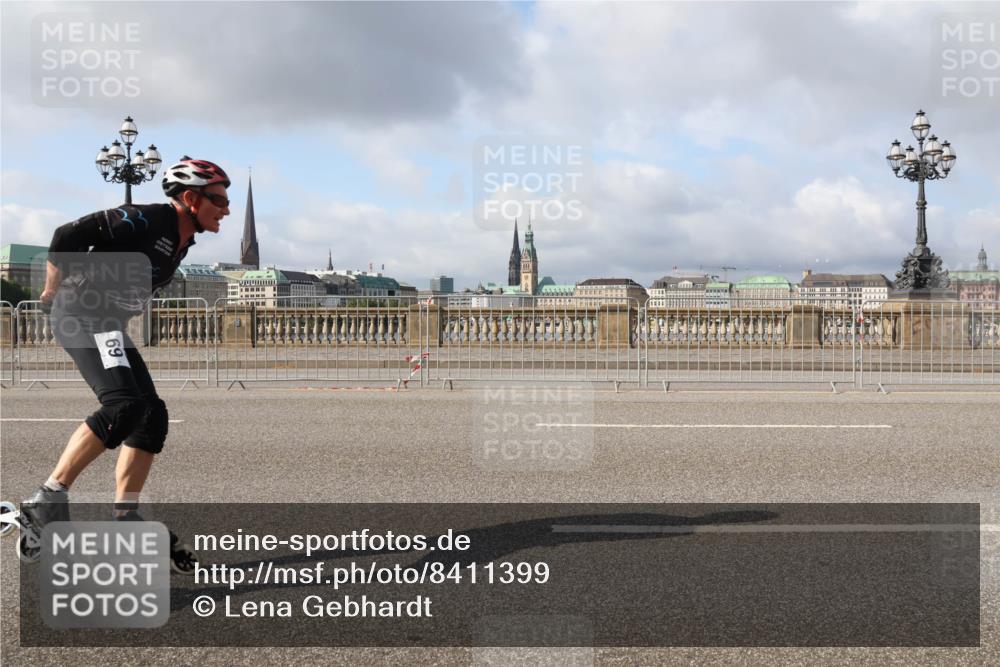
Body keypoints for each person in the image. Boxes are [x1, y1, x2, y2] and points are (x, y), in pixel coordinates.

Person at [20, 157, 231, 572]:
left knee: (151, 415)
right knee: (122, 405)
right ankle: (47, 499)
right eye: (219, 200)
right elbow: (66, 235)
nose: (225, 209)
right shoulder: (145, 220)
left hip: (106, 326)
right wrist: (49, 292)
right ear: (190, 198)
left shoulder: (183, 239)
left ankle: (126, 516)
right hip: (79, 315)